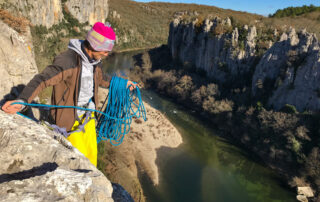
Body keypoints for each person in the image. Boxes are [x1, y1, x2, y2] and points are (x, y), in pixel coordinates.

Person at [1, 22, 138, 167]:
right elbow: (42, 79)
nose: (107, 54)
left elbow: (102, 79)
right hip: (70, 121)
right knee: (79, 163)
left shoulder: (96, 61)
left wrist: (122, 84)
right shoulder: (67, 60)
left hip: (88, 116)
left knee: (92, 159)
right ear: (94, 46)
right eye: (105, 50)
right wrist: (22, 100)